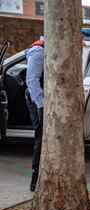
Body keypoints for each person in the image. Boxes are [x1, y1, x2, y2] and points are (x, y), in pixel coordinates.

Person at [25, 38, 44, 192]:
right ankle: (35, 177)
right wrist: (41, 106)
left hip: (45, 99)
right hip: (37, 100)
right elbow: (32, 80)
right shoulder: (39, 50)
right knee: (41, 135)